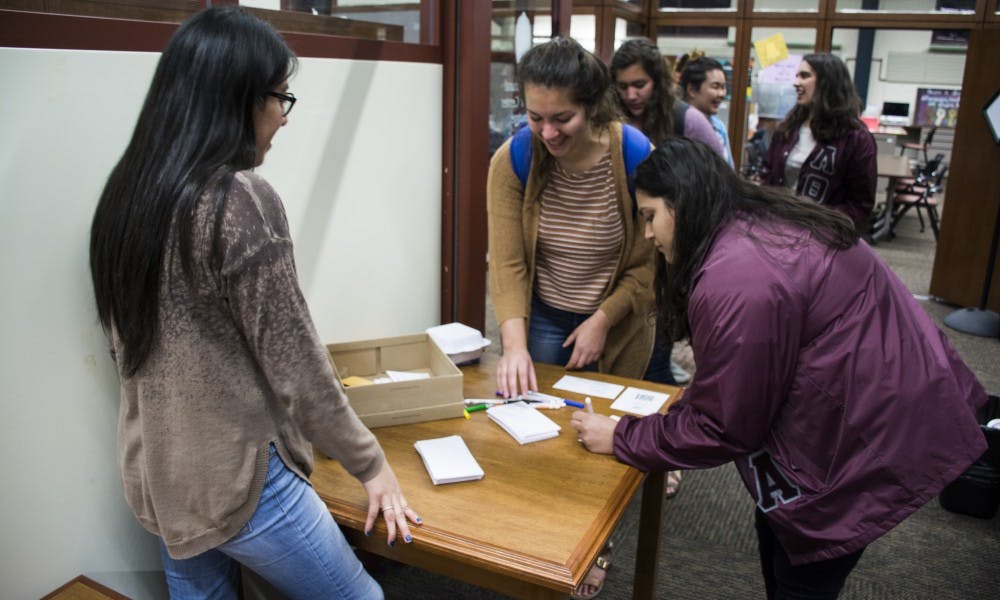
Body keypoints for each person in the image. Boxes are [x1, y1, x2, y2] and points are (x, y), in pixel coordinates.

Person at [89, 7, 419, 598]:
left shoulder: (126, 196)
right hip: (239, 480)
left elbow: (124, 351)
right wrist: (372, 465)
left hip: (159, 476)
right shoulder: (238, 200)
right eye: (280, 98)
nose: (283, 118)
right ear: (238, 99)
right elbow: (297, 365)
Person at [571, 138, 988, 600]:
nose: (647, 235)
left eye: (650, 216)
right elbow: (739, 379)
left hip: (865, 432)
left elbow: (725, 427)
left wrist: (623, 437)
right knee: (781, 537)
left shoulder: (736, 277)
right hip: (873, 395)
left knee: (803, 575)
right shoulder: (750, 225)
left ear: (683, 203)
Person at [487, 36, 667, 599]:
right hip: (543, 314)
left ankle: (596, 548)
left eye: (561, 117)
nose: (547, 132)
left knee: (602, 446)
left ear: (593, 104)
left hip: (619, 319)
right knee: (541, 433)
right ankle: (544, 541)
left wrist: (603, 319)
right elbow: (508, 263)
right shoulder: (514, 158)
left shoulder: (635, 155)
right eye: (535, 117)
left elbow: (648, 268)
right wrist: (514, 345)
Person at [759, 53, 877, 236]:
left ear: (827, 82)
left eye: (804, 76)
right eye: (797, 75)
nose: (796, 82)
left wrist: (820, 222)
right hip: (778, 232)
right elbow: (768, 174)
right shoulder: (788, 128)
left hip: (822, 240)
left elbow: (861, 204)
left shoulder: (856, 138)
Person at [610, 39, 726, 158]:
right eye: (623, 87)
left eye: (639, 85)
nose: (631, 95)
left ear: (658, 82)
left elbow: (719, 174)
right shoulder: (609, 122)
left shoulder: (689, 121)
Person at [680, 56, 735, 168]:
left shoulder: (718, 127)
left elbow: (729, 169)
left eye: (723, 87)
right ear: (692, 90)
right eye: (715, 87)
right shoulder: (676, 121)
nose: (721, 94)